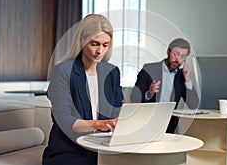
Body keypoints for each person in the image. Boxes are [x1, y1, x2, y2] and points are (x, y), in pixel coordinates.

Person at [42, 14, 123, 165]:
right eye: (94, 44)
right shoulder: (63, 71)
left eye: (105, 45)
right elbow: (63, 120)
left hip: (101, 147)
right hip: (69, 150)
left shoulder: (112, 73)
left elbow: (118, 111)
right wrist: (98, 124)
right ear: (82, 40)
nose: (100, 51)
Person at [130, 38, 199, 133]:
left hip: (170, 126)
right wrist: (148, 94)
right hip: (147, 122)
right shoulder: (149, 69)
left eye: (183, 56)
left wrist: (187, 80)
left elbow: (193, 105)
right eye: (176, 54)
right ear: (168, 51)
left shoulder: (181, 76)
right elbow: (134, 98)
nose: (178, 59)